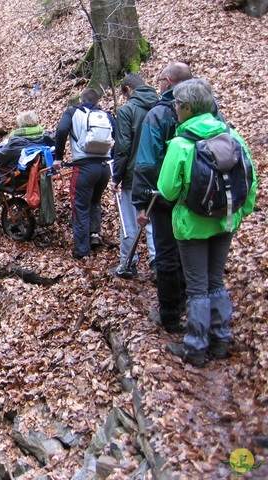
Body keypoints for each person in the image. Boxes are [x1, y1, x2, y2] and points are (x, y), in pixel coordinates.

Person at [158, 78, 256, 366]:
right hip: (225, 222)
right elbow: (251, 180)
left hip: (192, 226)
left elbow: (167, 190)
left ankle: (195, 347)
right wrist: (239, 214)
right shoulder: (233, 136)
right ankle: (221, 339)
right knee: (216, 281)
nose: (174, 109)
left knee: (198, 286)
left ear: (187, 108)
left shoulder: (181, 144)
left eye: (176, 104)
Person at [131, 62, 192, 333]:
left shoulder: (158, 115)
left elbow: (145, 162)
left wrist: (141, 202)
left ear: (167, 82)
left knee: (167, 252)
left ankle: (170, 315)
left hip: (164, 196)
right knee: (189, 250)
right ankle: (191, 303)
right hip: (197, 196)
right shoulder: (208, 110)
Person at [54, 87, 114, 259]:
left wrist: (58, 157)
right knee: (95, 201)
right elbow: (118, 137)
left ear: (80, 100)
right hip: (104, 167)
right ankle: (94, 234)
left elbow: (61, 131)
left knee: (80, 207)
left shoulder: (72, 112)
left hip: (84, 168)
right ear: (97, 102)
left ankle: (82, 252)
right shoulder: (106, 115)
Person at [109, 74, 159, 279]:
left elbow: (123, 147)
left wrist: (116, 177)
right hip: (160, 175)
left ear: (128, 89)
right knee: (155, 220)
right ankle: (158, 263)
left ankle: (128, 263)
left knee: (130, 220)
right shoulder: (162, 107)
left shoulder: (127, 110)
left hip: (134, 173)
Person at [0, 110, 55, 207]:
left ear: (21, 125)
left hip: (17, 177)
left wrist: (1, 144)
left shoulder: (17, 141)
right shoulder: (45, 136)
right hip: (36, 174)